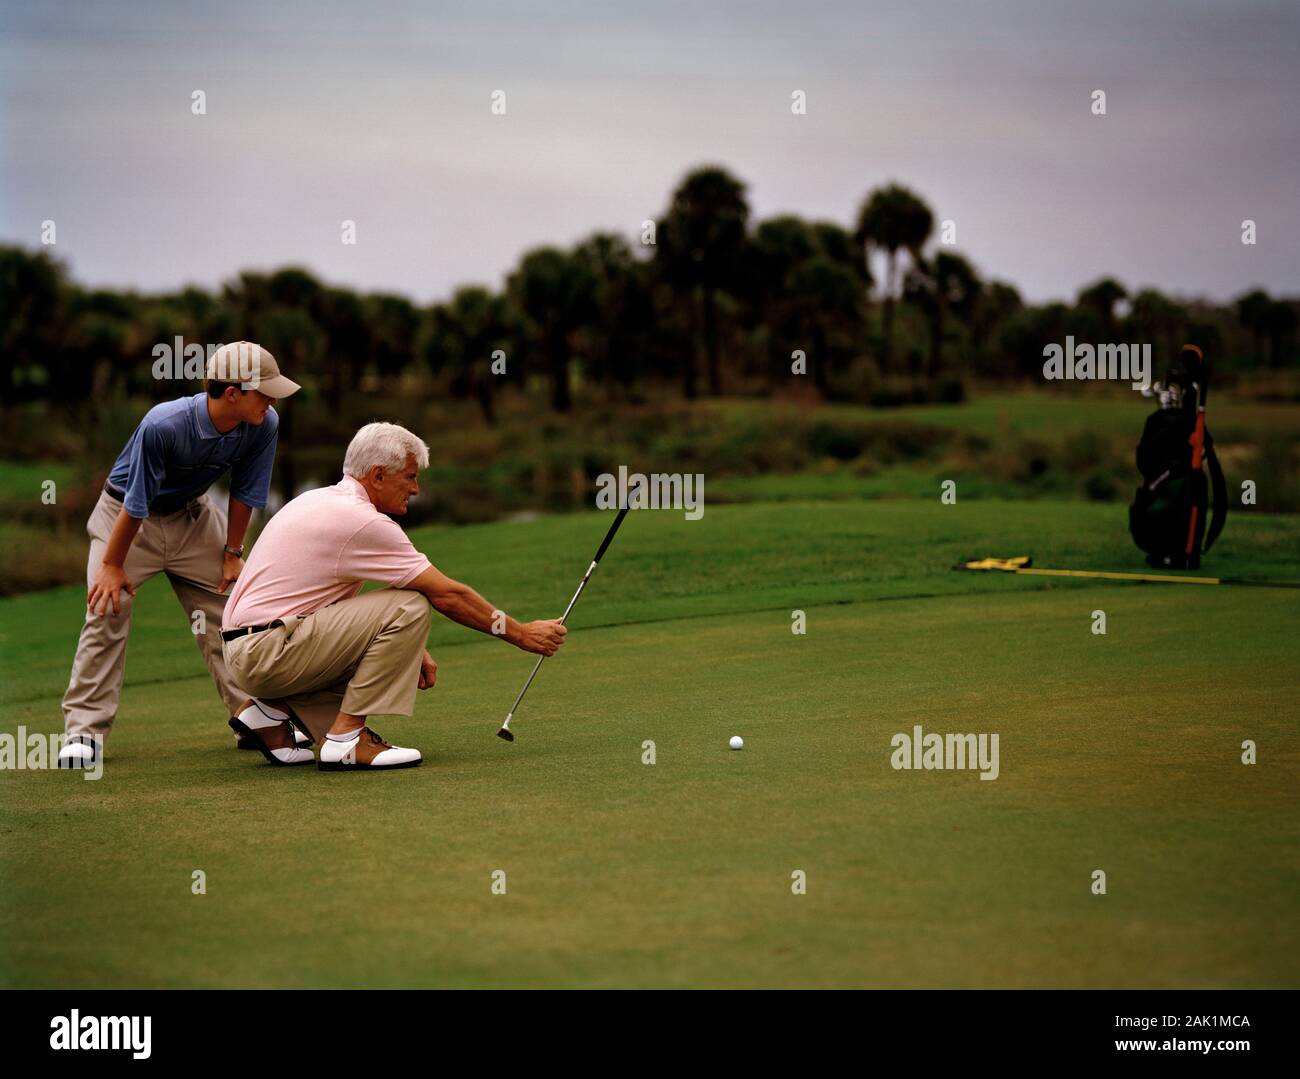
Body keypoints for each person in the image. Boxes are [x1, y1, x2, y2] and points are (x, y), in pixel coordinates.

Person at [221, 421, 567, 770]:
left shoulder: (318, 500)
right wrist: (522, 634)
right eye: (411, 477)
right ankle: (347, 741)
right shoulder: (363, 521)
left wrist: (410, 646)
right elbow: (448, 595)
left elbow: (321, 606)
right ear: (378, 475)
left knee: (404, 602)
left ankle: (266, 713)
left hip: (248, 651)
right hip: (266, 651)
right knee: (411, 604)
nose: (416, 489)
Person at [58, 342, 301, 768]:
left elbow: (246, 491)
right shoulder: (164, 424)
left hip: (193, 517)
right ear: (232, 393)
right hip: (127, 520)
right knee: (107, 609)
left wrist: (232, 553)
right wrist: (113, 566)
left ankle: (257, 718)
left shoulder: (263, 423)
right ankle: (84, 733)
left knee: (233, 611)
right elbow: (136, 503)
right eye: (265, 392)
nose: (273, 400)